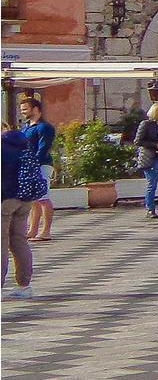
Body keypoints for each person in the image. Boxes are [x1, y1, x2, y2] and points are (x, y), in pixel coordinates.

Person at [2, 125, 39, 299]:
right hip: (25, 198)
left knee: (1, 243)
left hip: (5, 200)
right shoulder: (23, 144)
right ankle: (24, 285)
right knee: (19, 241)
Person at [18, 96, 55, 243]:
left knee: (43, 198)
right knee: (33, 199)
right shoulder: (26, 127)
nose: (23, 112)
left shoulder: (44, 127)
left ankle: (46, 231)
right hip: (29, 166)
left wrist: (33, 164)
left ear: (35, 109)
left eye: (25, 109)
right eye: (22, 110)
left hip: (42, 165)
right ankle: (32, 230)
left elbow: (43, 148)